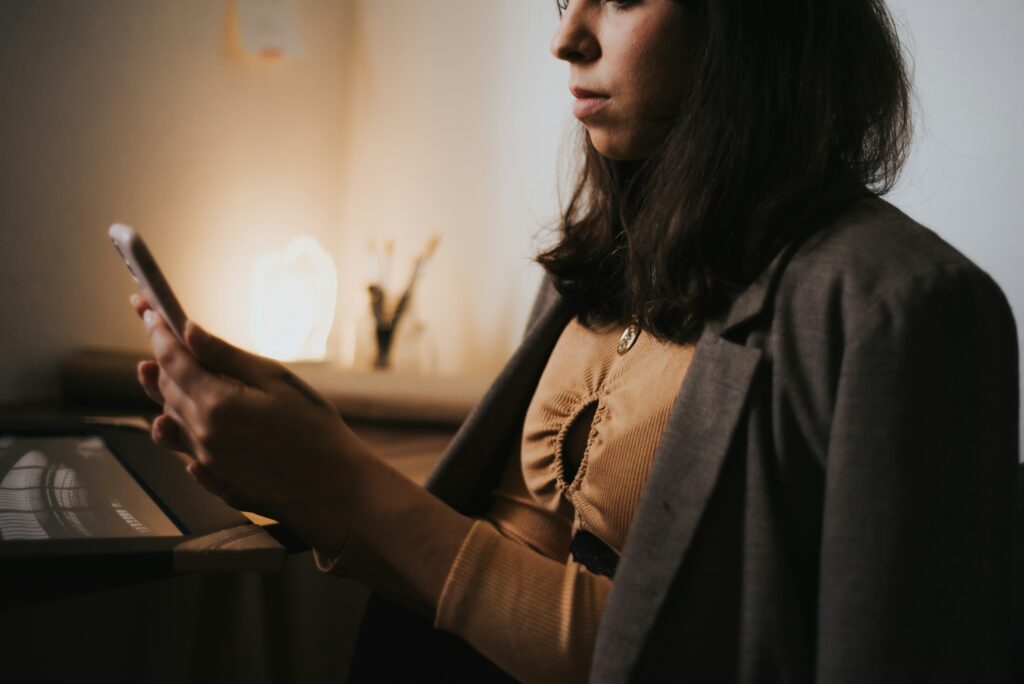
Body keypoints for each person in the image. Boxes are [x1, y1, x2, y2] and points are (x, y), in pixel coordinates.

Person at [132, 0, 1019, 681]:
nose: (567, 38)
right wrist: (295, 471)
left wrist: (339, 481)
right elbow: (499, 574)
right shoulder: (596, 265)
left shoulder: (906, 309)